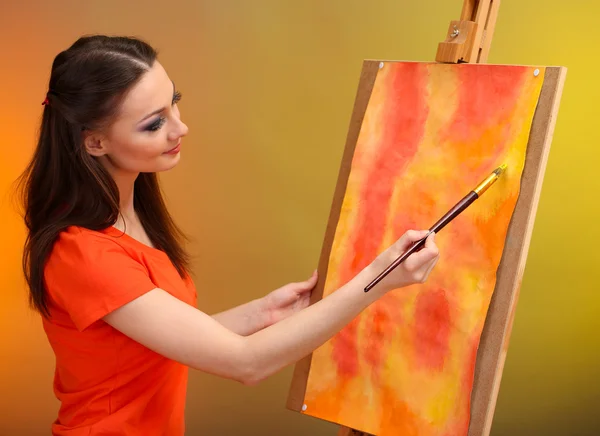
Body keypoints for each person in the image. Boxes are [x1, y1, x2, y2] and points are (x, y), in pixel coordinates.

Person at [17, 35, 440, 435]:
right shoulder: (86, 254)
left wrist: (263, 315)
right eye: (153, 124)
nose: (180, 129)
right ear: (94, 143)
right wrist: (378, 280)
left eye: (174, 103)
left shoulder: (130, 213)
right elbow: (246, 364)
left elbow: (153, 343)